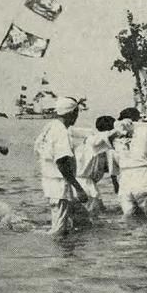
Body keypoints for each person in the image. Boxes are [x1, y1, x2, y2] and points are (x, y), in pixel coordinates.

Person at [34, 97, 90, 235]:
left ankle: (70, 254)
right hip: (60, 185)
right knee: (59, 231)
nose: (77, 117)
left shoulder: (49, 127)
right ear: (72, 112)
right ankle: (59, 255)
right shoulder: (61, 132)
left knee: (79, 222)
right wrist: (79, 188)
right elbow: (62, 163)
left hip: (49, 181)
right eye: (76, 113)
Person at [114, 107, 147, 217]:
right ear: (136, 119)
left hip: (124, 177)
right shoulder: (143, 130)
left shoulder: (115, 136)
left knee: (129, 216)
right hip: (141, 175)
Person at [74, 116, 122, 214]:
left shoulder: (90, 142)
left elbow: (107, 166)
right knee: (94, 215)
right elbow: (108, 135)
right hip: (85, 184)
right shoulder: (97, 140)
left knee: (96, 213)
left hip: (81, 183)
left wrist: (114, 182)